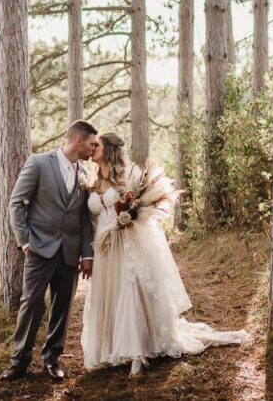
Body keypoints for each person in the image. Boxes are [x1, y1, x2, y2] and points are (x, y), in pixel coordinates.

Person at [80, 132, 249, 377]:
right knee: (110, 293)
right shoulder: (92, 182)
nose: (92, 148)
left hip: (128, 242)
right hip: (105, 247)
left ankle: (138, 352)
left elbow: (143, 210)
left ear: (109, 150)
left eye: (98, 145)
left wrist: (130, 217)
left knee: (130, 291)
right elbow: (93, 217)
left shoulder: (130, 175)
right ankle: (111, 348)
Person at [0, 120, 99, 382]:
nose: (94, 148)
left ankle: (52, 359)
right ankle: (19, 362)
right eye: (91, 143)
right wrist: (25, 241)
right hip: (39, 249)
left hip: (70, 252)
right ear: (79, 140)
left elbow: (84, 219)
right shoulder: (39, 163)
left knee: (62, 306)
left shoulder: (85, 174)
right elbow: (16, 203)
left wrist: (87, 255)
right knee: (31, 304)